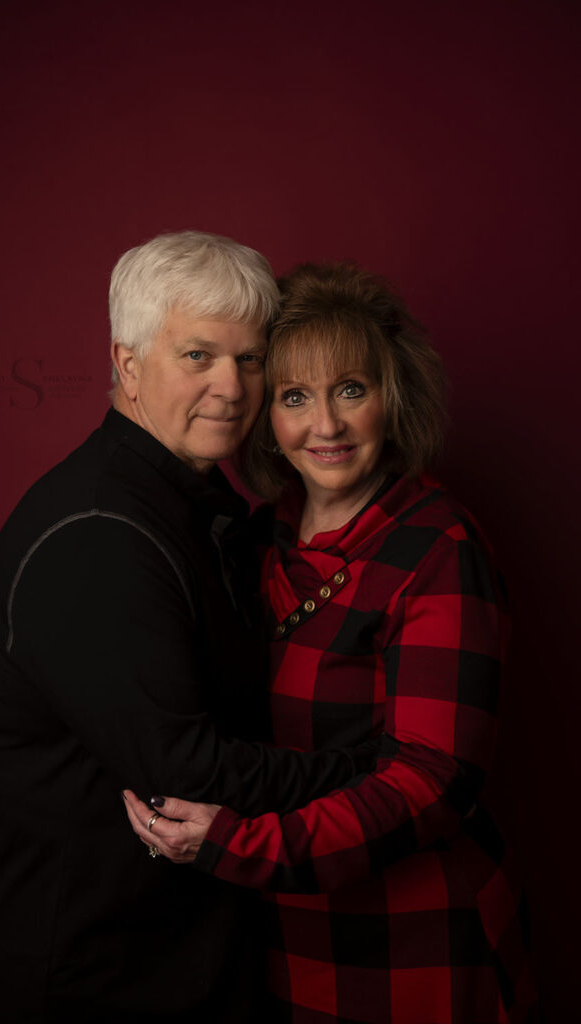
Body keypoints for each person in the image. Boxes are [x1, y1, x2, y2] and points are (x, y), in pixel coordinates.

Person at [0, 235, 376, 1024]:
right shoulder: (95, 533)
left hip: (184, 954)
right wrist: (379, 774)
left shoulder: (204, 509)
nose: (231, 387)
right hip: (87, 979)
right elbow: (185, 770)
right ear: (127, 361)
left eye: (251, 360)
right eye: (197, 355)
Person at [124, 262, 539, 1023]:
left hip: (414, 946)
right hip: (285, 938)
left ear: (392, 397)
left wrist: (244, 845)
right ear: (266, 418)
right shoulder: (260, 541)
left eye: (351, 389)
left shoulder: (439, 547)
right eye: (295, 397)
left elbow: (432, 782)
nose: (327, 425)